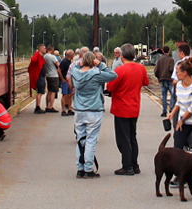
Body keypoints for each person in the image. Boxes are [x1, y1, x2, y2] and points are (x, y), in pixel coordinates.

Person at [70, 50, 118, 178]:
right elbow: (113, 75)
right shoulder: (96, 74)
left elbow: (73, 69)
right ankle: (89, 169)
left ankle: (80, 168)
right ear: (93, 62)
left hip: (79, 110)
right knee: (91, 140)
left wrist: (78, 64)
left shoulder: (76, 72)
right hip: (94, 110)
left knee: (81, 139)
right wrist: (101, 64)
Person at [106, 43, 150, 175]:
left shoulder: (120, 70)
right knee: (132, 137)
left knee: (123, 138)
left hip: (121, 107)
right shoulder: (141, 68)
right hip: (134, 107)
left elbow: (110, 87)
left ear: (122, 55)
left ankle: (127, 166)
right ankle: (134, 164)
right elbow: (146, 82)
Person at [154, 45, 175, 118]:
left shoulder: (159, 60)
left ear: (163, 51)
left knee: (164, 95)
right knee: (172, 95)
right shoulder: (171, 60)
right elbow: (171, 69)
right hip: (169, 79)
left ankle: (164, 111)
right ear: (169, 51)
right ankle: (171, 109)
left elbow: (156, 71)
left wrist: (159, 78)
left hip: (162, 79)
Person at [28, 44, 46, 114]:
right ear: (41, 49)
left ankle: (38, 106)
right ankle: (37, 107)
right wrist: (36, 53)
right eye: (44, 48)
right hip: (39, 77)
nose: (45, 49)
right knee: (40, 92)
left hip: (41, 76)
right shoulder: (37, 55)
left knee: (41, 92)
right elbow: (33, 60)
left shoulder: (41, 56)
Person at [43, 45, 61, 113]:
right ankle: (51, 106)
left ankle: (47, 105)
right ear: (52, 50)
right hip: (54, 75)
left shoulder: (45, 56)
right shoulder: (52, 57)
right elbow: (58, 65)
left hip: (48, 75)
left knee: (49, 91)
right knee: (53, 92)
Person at [59, 49, 76, 116]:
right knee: (65, 95)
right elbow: (59, 70)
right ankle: (63, 109)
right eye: (73, 54)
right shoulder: (64, 61)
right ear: (70, 55)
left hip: (69, 80)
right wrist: (62, 79)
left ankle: (69, 109)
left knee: (70, 94)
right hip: (65, 80)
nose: (73, 56)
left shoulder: (69, 61)